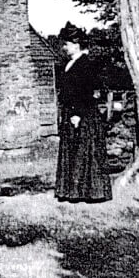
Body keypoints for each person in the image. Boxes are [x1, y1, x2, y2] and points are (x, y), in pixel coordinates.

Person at [55, 25, 112, 203]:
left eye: (67, 44)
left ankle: (90, 192)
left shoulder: (85, 64)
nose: (65, 48)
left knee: (85, 152)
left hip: (83, 114)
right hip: (70, 112)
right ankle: (71, 191)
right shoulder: (69, 64)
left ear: (77, 44)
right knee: (73, 151)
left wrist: (77, 113)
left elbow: (87, 92)